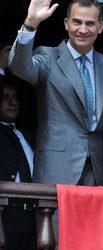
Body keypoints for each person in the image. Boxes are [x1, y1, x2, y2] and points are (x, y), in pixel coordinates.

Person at [8, 0, 103, 247]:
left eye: (90, 23)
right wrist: (30, 24)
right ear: (66, 23)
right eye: (77, 22)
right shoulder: (48, 57)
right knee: (55, 242)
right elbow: (19, 67)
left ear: (101, 27)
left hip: (98, 174)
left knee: (92, 241)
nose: (83, 29)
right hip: (56, 169)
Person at [0, 74, 37, 250]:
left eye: (15, 98)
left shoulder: (27, 135)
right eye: (5, 98)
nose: (12, 102)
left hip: (35, 213)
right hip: (7, 213)